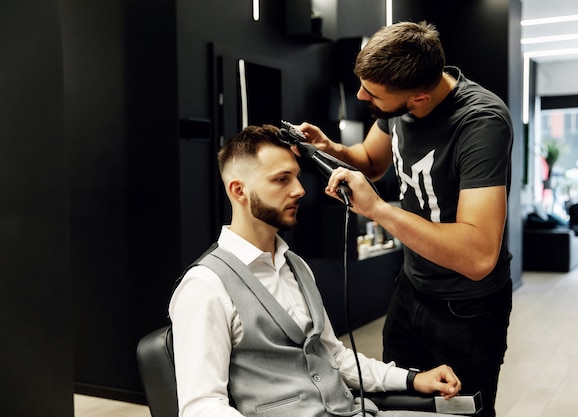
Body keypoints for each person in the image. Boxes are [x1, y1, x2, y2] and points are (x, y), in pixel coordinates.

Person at [296, 21, 514, 417]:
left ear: (420, 97)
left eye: (373, 94)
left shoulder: (481, 122)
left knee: (459, 412)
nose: (362, 96)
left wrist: (378, 210)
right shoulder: (396, 103)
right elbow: (373, 161)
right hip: (411, 289)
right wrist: (331, 149)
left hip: (467, 309)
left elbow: (479, 256)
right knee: (399, 405)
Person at [168, 124, 462, 417]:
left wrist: (412, 378)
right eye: (282, 179)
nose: (299, 190)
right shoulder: (205, 286)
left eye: (296, 177)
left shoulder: (295, 266)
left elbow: (334, 356)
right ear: (239, 190)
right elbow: (202, 407)